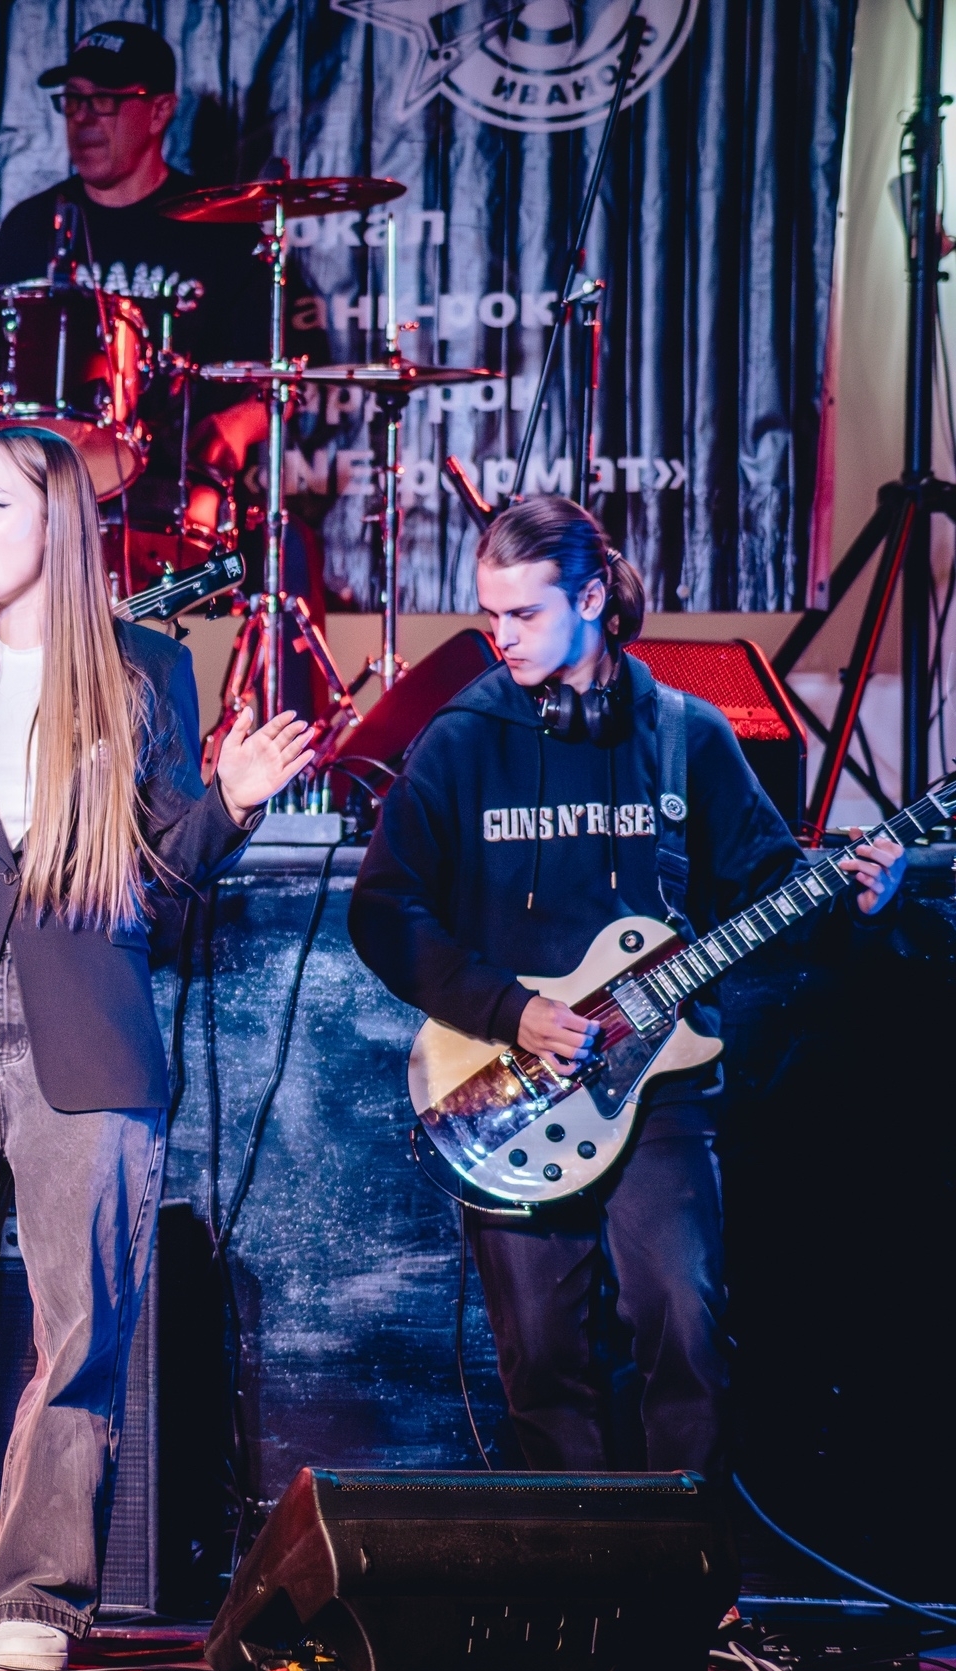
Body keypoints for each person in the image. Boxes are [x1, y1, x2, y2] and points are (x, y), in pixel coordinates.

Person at [0, 426, 313, 1671]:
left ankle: (37, 1596)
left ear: (55, 521)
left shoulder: (145, 665)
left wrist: (231, 803)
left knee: (79, 1329)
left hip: (86, 1026)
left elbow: (162, 867)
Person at [346, 496, 905, 1478]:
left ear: (594, 598)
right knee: (541, 1361)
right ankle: (580, 1564)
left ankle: (686, 1555)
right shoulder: (462, 738)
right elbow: (382, 909)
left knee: (686, 1325)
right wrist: (511, 1009)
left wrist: (859, 898)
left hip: (664, 1086)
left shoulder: (685, 735)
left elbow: (771, 887)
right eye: (491, 614)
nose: (500, 636)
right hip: (509, 1080)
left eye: (524, 614)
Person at [0, 21, 267, 541]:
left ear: (159, 111)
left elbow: (276, 379)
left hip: (178, 498)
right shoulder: (30, 228)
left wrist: (234, 429)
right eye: (73, 100)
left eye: (104, 100)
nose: (83, 118)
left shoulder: (222, 231)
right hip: (48, 498)